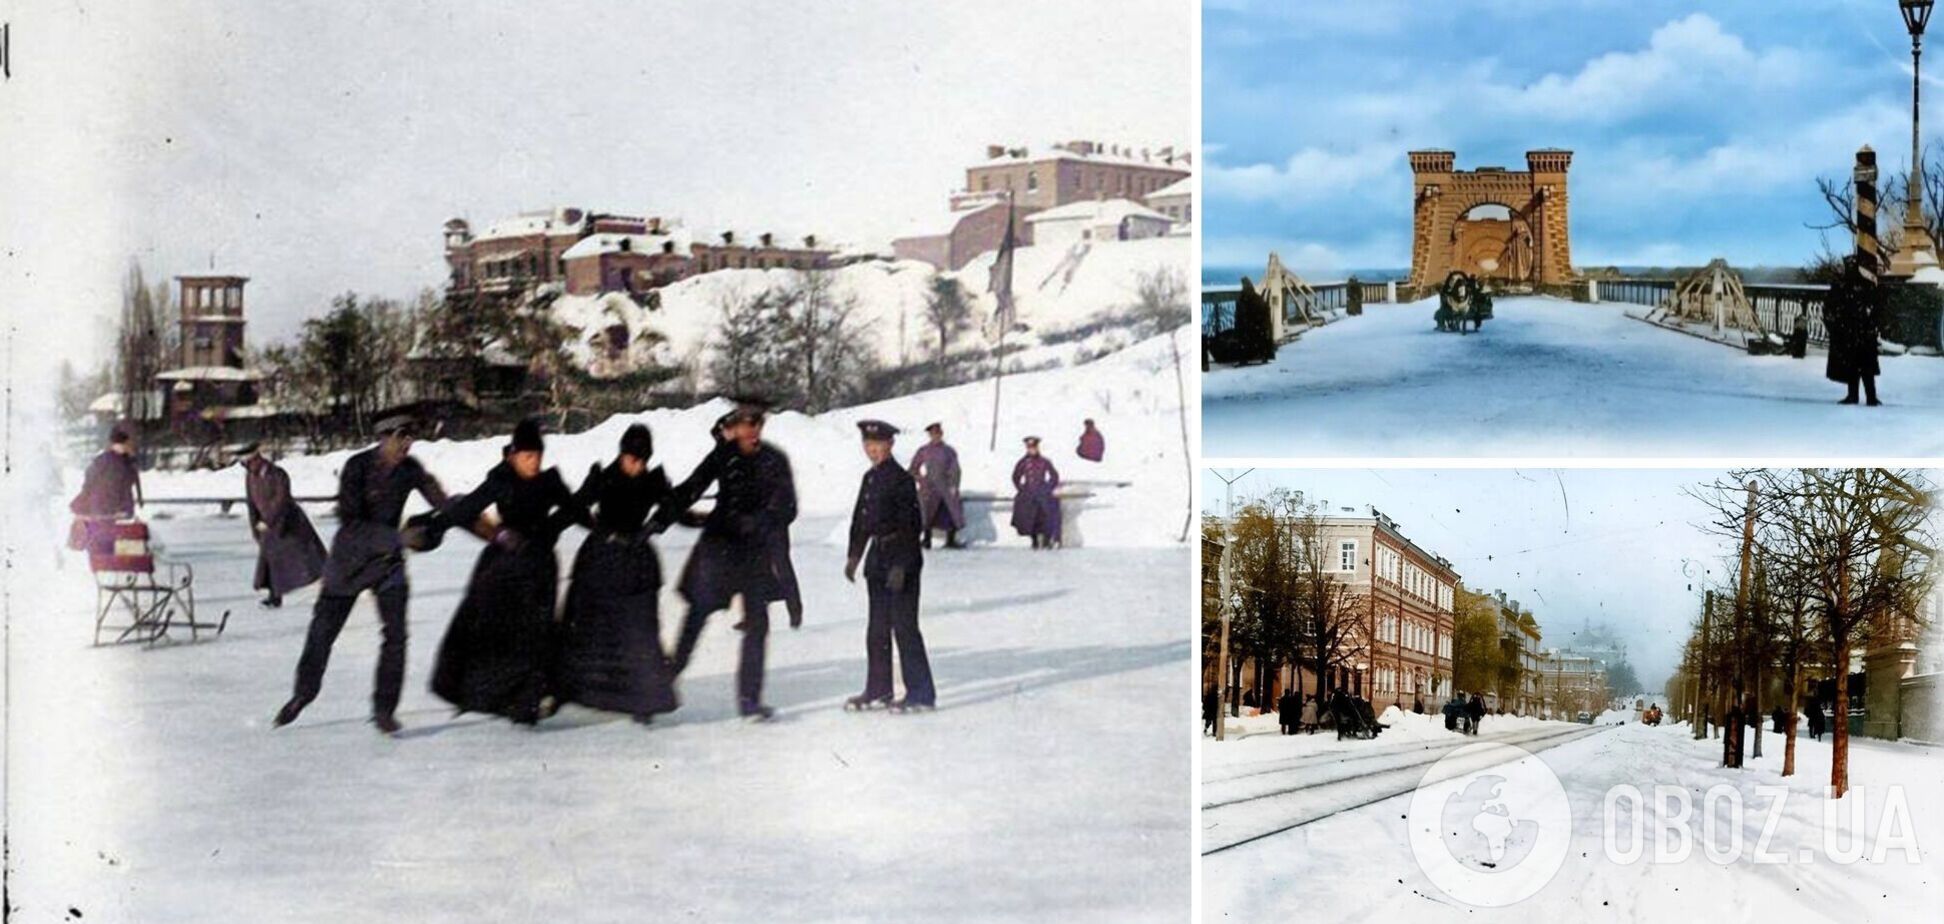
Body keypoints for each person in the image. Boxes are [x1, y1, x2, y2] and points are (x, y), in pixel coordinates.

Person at [275, 415, 449, 735]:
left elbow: (443, 502)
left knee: (396, 636)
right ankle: (303, 694)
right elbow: (352, 526)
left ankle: (384, 710)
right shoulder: (357, 468)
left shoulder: (411, 469)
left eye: (411, 438)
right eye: (401, 436)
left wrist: (465, 510)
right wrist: (400, 538)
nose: (407, 444)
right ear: (382, 438)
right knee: (322, 633)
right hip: (349, 564)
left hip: (388, 565)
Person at [658, 398, 801, 721]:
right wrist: (664, 516)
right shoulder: (722, 456)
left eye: (758, 424)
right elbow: (692, 488)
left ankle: (750, 701)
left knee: (758, 625)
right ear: (735, 427)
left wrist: (763, 519)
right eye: (747, 424)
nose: (752, 430)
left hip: (754, 553)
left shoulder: (775, 460)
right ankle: (661, 685)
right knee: (696, 617)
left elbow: (789, 507)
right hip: (719, 550)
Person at [431, 419, 581, 726]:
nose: (534, 462)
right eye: (528, 456)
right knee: (496, 632)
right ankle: (490, 695)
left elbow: (573, 508)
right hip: (505, 567)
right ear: (513, 455)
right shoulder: (500, 479)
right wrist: (439, 526)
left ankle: (526, 701)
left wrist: (551, 527)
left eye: (538, 456)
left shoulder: (549, 481)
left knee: (536, 634)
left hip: (539, 567)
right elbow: (466, 508)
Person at [553, 423, 679, 724]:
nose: (636, 465)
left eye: (642, 460)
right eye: (631, 458)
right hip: (600, 560)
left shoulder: (654, 480)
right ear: (622, 454)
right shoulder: (604, 477)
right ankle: (561, 690)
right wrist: (597, 528)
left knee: (641, 631)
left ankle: (643, 700)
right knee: (581, 626)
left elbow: (675, 506)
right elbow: (575, 505)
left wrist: (654, 525)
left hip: (635, 561)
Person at [843, 420, 935, 713]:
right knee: (877, 628)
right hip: (877, 558)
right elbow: (861, 519)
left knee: (904, 627)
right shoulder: (869, 478)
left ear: (890, 445)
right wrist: (854, 556)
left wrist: (901, 565)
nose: (872, 450)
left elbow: (912, 525)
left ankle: (921, 694)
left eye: (878, 445)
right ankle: (878, 689)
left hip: (901, 558)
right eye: (868, 445)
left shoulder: (901, 479)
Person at [241, 442, 327, 608]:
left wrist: (268, 520)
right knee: (272, 561)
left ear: (256, 457)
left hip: (289, 523)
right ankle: (275, 597)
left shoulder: (277, 473)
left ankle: (332, 585)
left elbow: (282, 500)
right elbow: (251, 503)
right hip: (268, 525)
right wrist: (255, 525)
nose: (244, 463)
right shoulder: (250, 476)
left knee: (310, 558)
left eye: (247, 459)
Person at [1824, 255, 1884, 406]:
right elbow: (1830, 309)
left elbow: (1876, 308)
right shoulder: (1853, 286)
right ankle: (1861, 396)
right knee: (1859, 366)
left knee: (1861, 366)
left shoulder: (1850, 286)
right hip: (1855, 332)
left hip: (1856, 333)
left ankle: (1865, 396)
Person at [907, 422, 964, 550]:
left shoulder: (949, 451)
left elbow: (955, 469)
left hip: (945, 485)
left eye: (938, 433)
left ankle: (951, 539)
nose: (936, 436)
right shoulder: (924, 450)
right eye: (933, 434)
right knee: (926, 511)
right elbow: (913, 468)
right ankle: (926, 539)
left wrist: (954, 484)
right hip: (929, 486)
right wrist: (921, 480)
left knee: (951, 509)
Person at [1011, 436, 1062, 549]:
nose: (1032, 450)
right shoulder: (1023, 462)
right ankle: (1034, 539)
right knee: (1029, 515)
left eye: (1034, 448)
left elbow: (1054, 476)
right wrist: (1021, 488)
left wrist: (1048, 487)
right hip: (1029, 492)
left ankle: (1048, 538)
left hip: (1042, 492)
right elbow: (1016, 477)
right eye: (1029, 448)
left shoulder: (1044, 461)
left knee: (1046, 514)